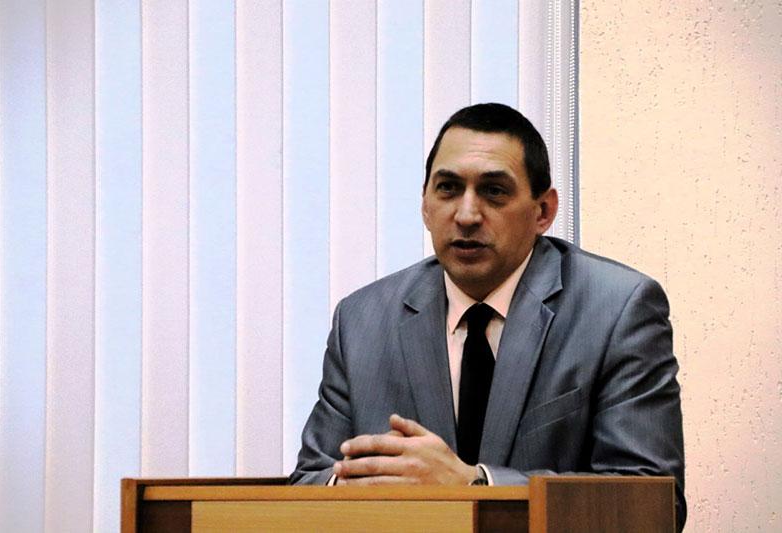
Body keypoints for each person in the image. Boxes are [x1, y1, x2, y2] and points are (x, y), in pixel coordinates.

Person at [289, 103, 685, 530]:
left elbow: (651, 503)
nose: (466, 215)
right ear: (425, 206)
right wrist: (365, 484)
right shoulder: (362, 320)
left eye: (494, 191)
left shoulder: (616, 309)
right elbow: (309, 482)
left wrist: (477, 484)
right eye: (448, 189)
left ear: (543, 212)